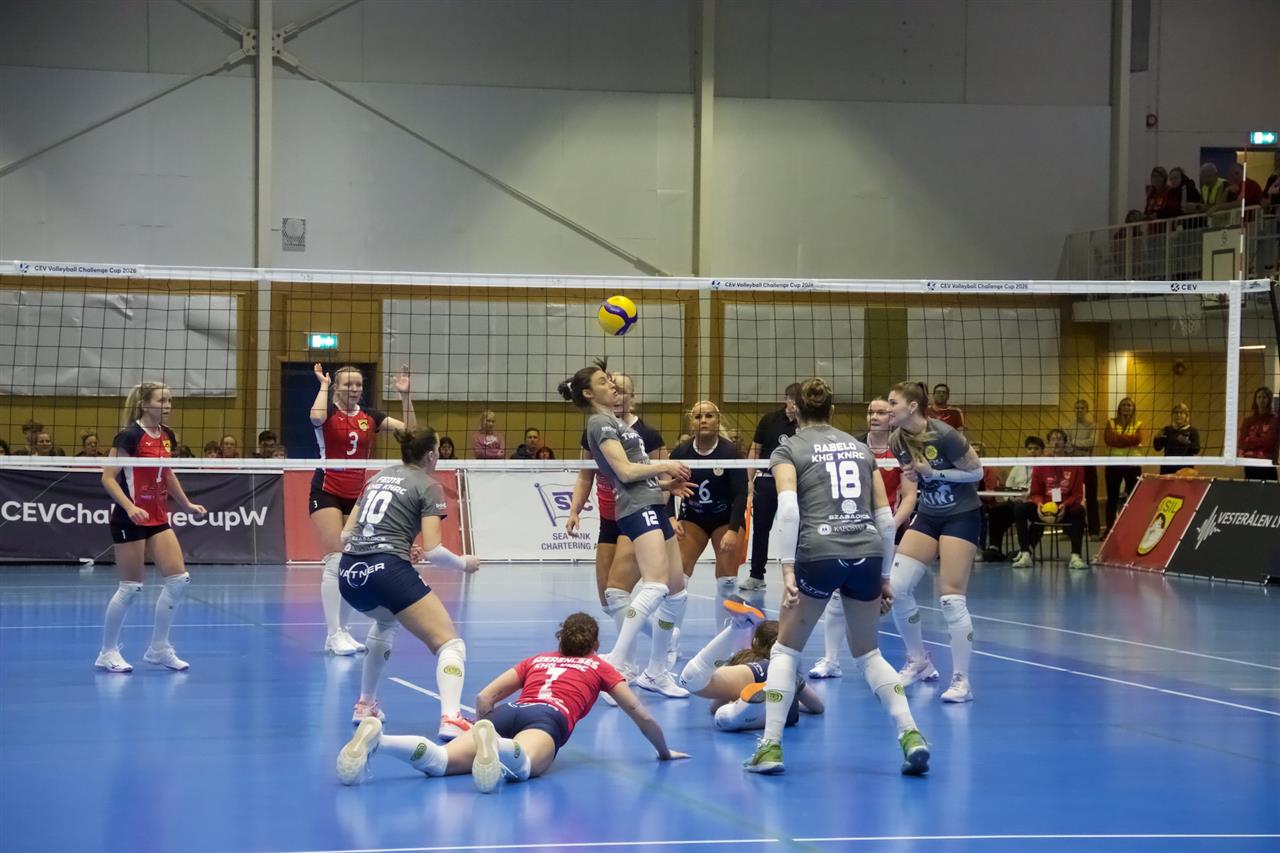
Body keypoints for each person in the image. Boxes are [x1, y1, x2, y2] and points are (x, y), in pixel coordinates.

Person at [742, 378, 929, 775]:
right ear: (832, 410)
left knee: (785, 651)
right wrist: (883, 576)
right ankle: (911, 734)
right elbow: (885, 518)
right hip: (866, 551)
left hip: (819, 551)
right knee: (869, 654)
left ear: (796, 410)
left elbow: (788, 510)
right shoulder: (861, 449)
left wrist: (787, 567)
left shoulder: (788, 449)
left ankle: (770, 747)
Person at [336, 613, 688, 791]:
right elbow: (639, 713)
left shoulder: (537, 660)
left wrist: (485, 722)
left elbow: (484, 696)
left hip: (509, 713)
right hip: (547, 719)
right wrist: (663, 751)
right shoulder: (600, 667)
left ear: (560, 640)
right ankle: (498, 747)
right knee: (524, 768)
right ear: (595, 645)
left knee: (441, 762)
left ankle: (380, 740)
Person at [336, 426, 479, 740]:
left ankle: (365, 705)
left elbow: (345, 536)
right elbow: (434, 551)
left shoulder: (377, 477)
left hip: (349, 575)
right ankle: (451, 718)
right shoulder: (428, 485)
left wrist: (399, 545)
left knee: (386, 623)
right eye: (438, 449)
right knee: (450, 644)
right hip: (387, 572)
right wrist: (463, 563)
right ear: (430, 455)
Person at [560, 359, 692, 698]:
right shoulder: (599, 423)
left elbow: (639, 472)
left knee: (676, 592)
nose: (612, 385)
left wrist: (667, 485)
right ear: (589, 393)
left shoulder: (616, 422)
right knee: (655, 585)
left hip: (653, 502)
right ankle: (616, 666)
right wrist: (665, 465)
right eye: (603, 381)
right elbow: (625, 472)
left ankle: (657, 672)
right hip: (636, 508)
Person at [95, 382, 207, 673]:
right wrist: (130, 507)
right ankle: (107, 652)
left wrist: (186, 504)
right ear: (145, 404)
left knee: (178, 580)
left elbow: (166, 473)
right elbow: (108, 477)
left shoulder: (167, 435)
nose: (168, 406)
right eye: (162, 401)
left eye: (170, 401)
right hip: (129, 517)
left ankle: (158, 649)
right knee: (130, 587)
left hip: (158, 516)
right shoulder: (129, 436)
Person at [886, 380, 984, 703]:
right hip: (928, 514)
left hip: (961, 514)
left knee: (951, 599)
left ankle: (962, 681)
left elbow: (977, 473)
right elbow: (914, 479)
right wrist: (915, 477)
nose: (888, 408)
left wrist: (934, 473)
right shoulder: (897, 439)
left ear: (912, 406)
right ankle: (918, 661)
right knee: (897, 588)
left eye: (893, 403)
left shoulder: (944, 435)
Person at [309, 362, 416, 656]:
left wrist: (405, 395)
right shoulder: (328, 412)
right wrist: (323, 385)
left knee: (350, 561)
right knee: (335, 559)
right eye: (348, 384)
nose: (354, 389)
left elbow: (411, 431)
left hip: (358, 495)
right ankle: (333, 634)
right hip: (327, 489)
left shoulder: (370, 416)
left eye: (358, 384)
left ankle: (342, 632)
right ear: (337, 387)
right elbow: (315, 416)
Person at [566, 371, 668, 675]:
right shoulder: (598, 426)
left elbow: (659, 477)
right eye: (610, 385)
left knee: (625, 589)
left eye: (621, 389)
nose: (615, 391)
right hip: (609, 517)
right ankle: (657, 639)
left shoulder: (645, 433)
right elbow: (587, 474)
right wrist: (574, 509)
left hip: (636, 510)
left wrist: (666, 513)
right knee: (608, 599)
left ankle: (627, 662)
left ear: (632, 397)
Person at [810, 396, 918, 679]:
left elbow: (909, 496)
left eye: (881, 412)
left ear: (892, 418)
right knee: (837, 594)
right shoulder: (853, 446)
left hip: (890, 528)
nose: (875, 417)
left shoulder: (903, 449)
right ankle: (831, 660)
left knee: (894, 594)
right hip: (854, 528)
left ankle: (918, 659)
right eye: (871, 412)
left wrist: (890, 525)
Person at [679, 601, 824, 730]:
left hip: (755, 674)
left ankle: (740, 624)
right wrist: (794, 700)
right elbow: (818, 707)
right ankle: (768, 703)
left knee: (690, 679)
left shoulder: (745, 658)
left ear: (755, 641)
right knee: (724, 719)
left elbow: (714, 706)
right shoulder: (789, 672)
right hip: (785, 715)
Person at [670, 401, 749, 623]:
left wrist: (733, 530)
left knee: (727, 581)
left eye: (708, 416)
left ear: (718, 420)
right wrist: (670, 518)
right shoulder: (681, 452)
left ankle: (724, 635)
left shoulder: (730, 452)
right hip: (693, 517)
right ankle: (671, 636)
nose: (703, 421)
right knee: (678, 578)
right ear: (691, 422)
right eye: (698, 417)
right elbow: (666, 487)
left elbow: (741, 495)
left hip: (725, 519)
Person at [743, 383, 801, 594]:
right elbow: (755, 450)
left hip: (796, 483)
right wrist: (749, 481)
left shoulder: (806, 424)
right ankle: (756, 575)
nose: (794, 405)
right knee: (761, 529)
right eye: (792, 400)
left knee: (798, 528)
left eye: (799, 401)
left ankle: (798, 575)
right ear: (786, 399)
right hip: (767, 480)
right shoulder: (769, 420)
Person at [1009, 436, 1087, 571]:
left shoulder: (1075, 465)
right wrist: (1039, 504)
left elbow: (1077, 495)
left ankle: (1075, 556)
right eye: (1053, 439)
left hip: (1065, 509)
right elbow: (1036, 492)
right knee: (1020, 509)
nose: (1056, 442)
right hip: (1044, 509)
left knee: (1079, 510)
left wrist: (1064, 505)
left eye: (1060, 439)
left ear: (1065, 443)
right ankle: (1025, 554)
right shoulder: (1041, 465)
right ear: (1048, 444)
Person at [984, 436, 1042, 559]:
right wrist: (1011, 498)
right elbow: (1008, 486)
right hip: (1015, 501)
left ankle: (1026, 549)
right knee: (996, 511)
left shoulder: (1045, 467)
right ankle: (995, 547)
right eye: (1029, 448)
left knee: (1038, 516)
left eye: (1036, 448)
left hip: (1034, 503)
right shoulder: (1018, 467)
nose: (1032, 451)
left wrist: (1028, 498)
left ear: (1042, 451)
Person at [1103, 397, 1145, 533]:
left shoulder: (1138, 423)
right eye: (1124, 405)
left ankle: (1133, 529)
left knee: (1134, 497)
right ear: (1119, 408)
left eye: (1129, 405)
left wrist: (1119, 438)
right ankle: (1109, 529)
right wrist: (1129, 441)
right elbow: (1109, 439)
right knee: (1112, 498)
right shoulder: (1111, 422)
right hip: (1114, 464)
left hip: (1132, 464)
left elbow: (1138, 438)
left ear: (1133, 408)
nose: (1127, 407)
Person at [1064, 399, 1101, 537]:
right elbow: (1066, 446)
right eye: (1077, 408)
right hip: (1073, 464)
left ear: (1087, 410)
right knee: (1069, 496)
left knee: (1091, 497)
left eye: (1082, 408)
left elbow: (1092, 443)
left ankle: (1094, 531)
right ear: (1074, 410)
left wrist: (1074, 443)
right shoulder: (1069, 427)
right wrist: (1079, 445)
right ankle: (1068, 530)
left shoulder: (1093, 426)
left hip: (1088, 463)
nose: (1079, 410)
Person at [1239, 387, 1279, 481]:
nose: (1261, 400)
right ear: (1255, 400)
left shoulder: (1274, 419)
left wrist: (1250, 440)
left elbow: (1270, 442)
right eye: (1259, 397)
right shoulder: (1248, 420)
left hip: (1267, 462)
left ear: (1269, 399)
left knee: (1269, 489)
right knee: (1251, 488)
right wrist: (1262, 441)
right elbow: (1241, 443)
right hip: (1250, 462)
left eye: (1264, 397)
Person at [1153, 403, 1200, 475]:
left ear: (1186, 415)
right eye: (1176, 413)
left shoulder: (1192, 430)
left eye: (1181, 413)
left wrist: (1186, 442)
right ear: (1172, 415)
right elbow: (1157, 448)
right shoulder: (1167, 430)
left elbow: (1196, 450)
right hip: (1167, 468)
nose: (1178, 415)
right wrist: (1156, 438)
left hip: (1185, 468)